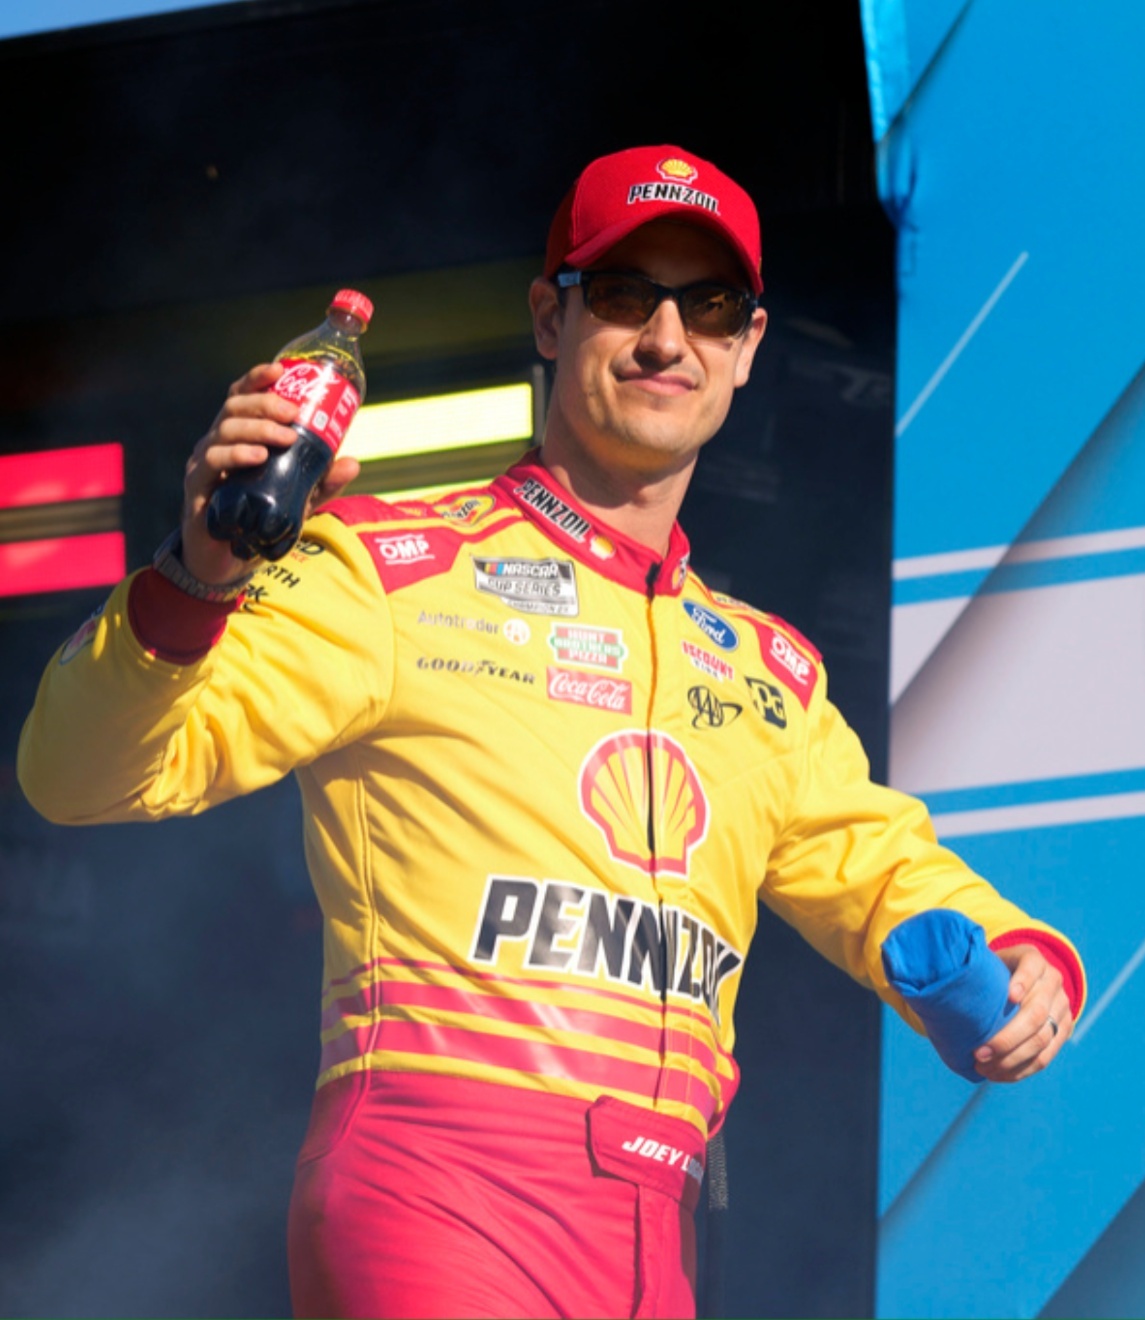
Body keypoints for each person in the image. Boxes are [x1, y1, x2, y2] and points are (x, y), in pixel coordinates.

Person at [16, 144, 1083, 1319]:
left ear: (747, 350)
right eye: (625, 295)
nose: (667, 339)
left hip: (657, 1240)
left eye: (709, 306)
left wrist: (1014, 951)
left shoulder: (767, 668)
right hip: (435, 1194)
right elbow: (80, 776)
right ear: (548, 316)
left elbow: (876, 864)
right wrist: (195, 575)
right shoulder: (388, 569)